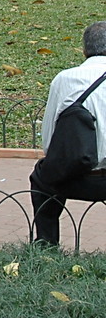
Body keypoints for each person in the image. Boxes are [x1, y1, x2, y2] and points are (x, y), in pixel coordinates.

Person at [30, 21, 106, 246]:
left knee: (41, 177)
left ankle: (46, 244)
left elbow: (49, 139)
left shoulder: (66, 79)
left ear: (84, 50)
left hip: (75, 178)